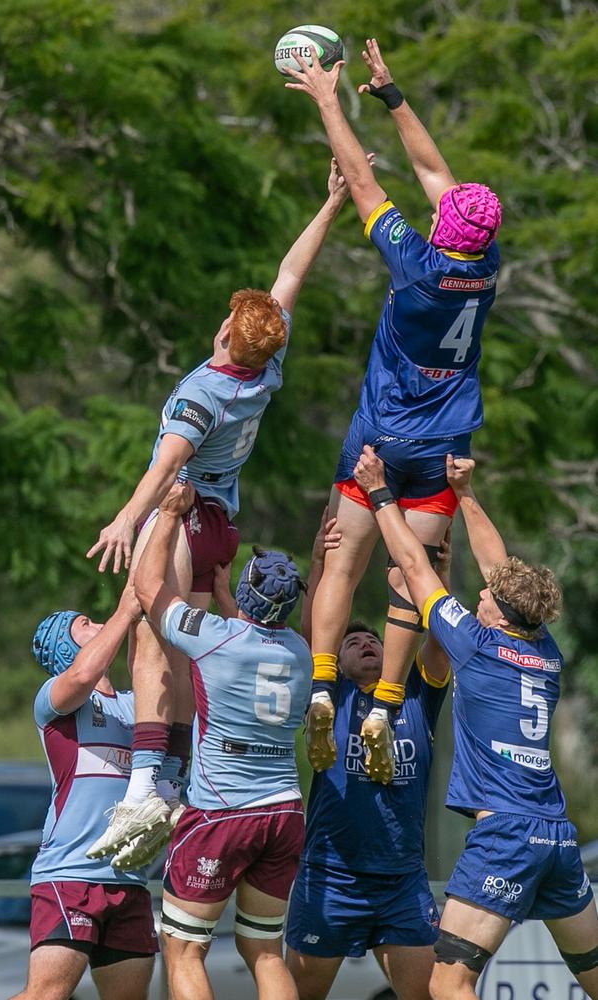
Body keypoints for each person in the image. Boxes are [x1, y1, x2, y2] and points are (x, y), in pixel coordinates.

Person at [86, 161, 354, 858]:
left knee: (152, 639)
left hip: (182, 512)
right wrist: (329, 205)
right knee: (185, 654)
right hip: (220, 529)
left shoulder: (204, 391)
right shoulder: (265, 363)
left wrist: (126, 518)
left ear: (228, 333)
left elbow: (166, 464)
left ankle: (145, 786)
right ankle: (172, 780)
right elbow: (288, 277)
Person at [284, 38, 502, 782]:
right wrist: (392, 94)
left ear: (445, 230)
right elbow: (437, 174)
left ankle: (321, 686)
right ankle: (382, 706)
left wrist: (328, 98)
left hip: (378, 440)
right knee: (412, 580)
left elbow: (361, 177)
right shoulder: (484, 266)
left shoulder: (417, 265)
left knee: (340, 562)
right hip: (443, 448)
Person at [352, 444, 598, 999]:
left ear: (497, 616)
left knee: (449, 985)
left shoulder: (478, 646)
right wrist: (464, 494)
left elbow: (414, 566)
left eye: (487, 596)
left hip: (506, 837)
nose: (480, 592)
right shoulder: (545, 649)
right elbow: (500, 567)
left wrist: (377, 490)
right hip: (557, 837)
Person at [133, 482, 312, 1000]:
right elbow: (250, 630)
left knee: (184, 949)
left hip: (221, 811)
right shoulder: (298, 651)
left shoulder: (214, 637)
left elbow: (149, 587)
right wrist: (228, 591)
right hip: (282, 812)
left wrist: (168, 515)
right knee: (263, 952)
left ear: (249, 595)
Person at [285, 519, 451, 1000]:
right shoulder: (328, 698)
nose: (367, 642)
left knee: (427, 993)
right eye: (352, 642)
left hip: (402, 880)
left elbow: (437, 637)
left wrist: (435, 568)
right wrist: (318, 563)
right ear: (334, 662)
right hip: (331, 876)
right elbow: (315, 630)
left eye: (374, 639)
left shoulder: (416, 696)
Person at [13, 584, 160, 1000]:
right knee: (46, 995)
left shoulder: (137, 706)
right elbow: (82, 674)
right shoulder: (56, 699)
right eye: (85, 624)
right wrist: (125, 610)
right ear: (65, 647)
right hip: (69, 875)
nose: (99, 624)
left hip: (129, 878)